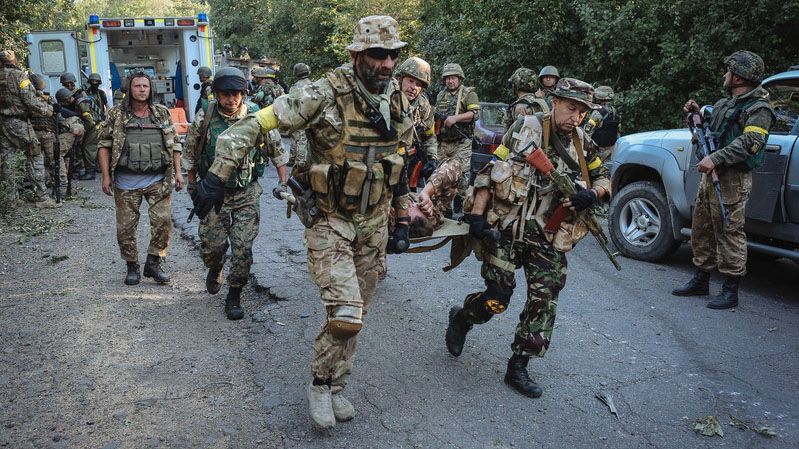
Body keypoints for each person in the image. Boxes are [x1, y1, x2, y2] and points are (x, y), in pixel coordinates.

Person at [190, 15, 412, 429]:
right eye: (377, 55)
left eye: (392, 55)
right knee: (346, 312)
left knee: (355, 316)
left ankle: (335, 385)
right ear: (356, 54)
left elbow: (395, 165)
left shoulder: (396, 100)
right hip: (330, 222)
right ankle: (318, 384)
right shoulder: (321, 94)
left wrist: (403, 216)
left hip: (374, 224)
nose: (386, 64)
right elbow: (254, 124)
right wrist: (216, 176)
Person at [445, 78, 611, 398]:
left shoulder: (583, 143)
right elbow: (493, 168)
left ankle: (518, 365)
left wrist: (591, 193)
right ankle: (464, 318)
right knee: (497, 299)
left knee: (545, 297)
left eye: (582, 112)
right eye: (571, 108)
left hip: (547, 236)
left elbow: (604, 176)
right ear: (555, 102)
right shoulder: (526, 127)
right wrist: (477, 216)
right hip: (508, 229)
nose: (575, 117)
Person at [672, 51, 774, 309]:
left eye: (728, 71)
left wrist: (716, 159)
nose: (724, 75)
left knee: (729, 231)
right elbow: (708, 132)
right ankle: (701, 278)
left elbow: (751, 142)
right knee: (701, 226)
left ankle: (730, 289)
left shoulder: (759, 108)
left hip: (733, 178)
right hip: (711, 176)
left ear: (738, 76)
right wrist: (694, 115)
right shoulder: (724, 104)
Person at [184, 67, 289, 320]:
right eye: (225, 95)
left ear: (243, 94)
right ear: (217, 94)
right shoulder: (205, 117)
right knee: (213, 247)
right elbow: (190, 153)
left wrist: (283, 182)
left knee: (242, 247)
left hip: (246, 191)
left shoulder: (257, 117)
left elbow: (276, 149)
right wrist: (191, 186)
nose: (231, 100)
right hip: (213, 194)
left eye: (236, 94)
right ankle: (215, 267)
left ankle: (234, 294)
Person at [98, 71, 184, 286]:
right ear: (129, 89)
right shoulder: (116, 114)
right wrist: (106, 177)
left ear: (151, 89)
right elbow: (104, 145)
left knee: (163, 223)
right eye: (137, 86)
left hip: (158, 179)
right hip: (126, 182)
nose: (142, 89)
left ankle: (154, 262)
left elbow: (174, 144)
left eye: (145, 86)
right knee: (126, 228)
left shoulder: (161, 113)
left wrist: (179, 173)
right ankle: (132, 265)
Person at [0, 50, 54, 206]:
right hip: (19, 122)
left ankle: (11, 199)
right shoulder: (20, 77)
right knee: (35, 155)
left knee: (8, 159)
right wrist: (48, 110)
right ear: (14, 61)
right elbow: (30, 101)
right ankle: (41, 198)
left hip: (3, 123)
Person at [435, 62, 479, 216]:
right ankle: (445, 208)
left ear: (460, 78)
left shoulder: (468, 93)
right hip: (444, 143)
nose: (450, 81)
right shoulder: (441, 95)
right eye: (447, 78)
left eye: (453, 78)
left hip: (461, 143)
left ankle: (460, 207)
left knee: (461, 176)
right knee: (442, 175)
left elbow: (474, 114)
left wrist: (455, 118)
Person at [395, 56, 438, 189]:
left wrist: (432, 157)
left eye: (418, 84)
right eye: (410, 81)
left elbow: (429, 135)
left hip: (409, 161)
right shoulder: (388, 98)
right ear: (400, 79)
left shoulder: (424, 106)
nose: (413, 87)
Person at [26, 74, 60, 206]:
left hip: (34, 134)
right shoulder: (37, 98)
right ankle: (51, 189)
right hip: (40, 134)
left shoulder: (33, 97)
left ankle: (51, 187)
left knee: (45, 161)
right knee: (46, 161)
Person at [61, 72, 97, 180]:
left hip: (92, 125)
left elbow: (88, 118)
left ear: (71, 84)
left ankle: (91, 172)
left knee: (87, 148)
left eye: (67, 85)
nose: (67, 87)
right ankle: (82, 169)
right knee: (81, 148)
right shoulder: (71, 97)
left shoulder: (80, 98)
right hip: (86, 124)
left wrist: (84, 131)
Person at [54, 88, 85, 192]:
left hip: (71, 131)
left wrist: (71, 130)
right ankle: (65, 179)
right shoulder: (64, 109)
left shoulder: (65, 112)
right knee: (66, 156)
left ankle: (63, 182)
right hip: (71, 133)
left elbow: (77, 129)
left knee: (58, 154)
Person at [582, 85, 621, 162]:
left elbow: (587, 133)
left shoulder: (598, 112)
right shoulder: (616, 111)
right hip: (611, 149)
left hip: (598, 150)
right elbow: (618, 131)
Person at [288, 63, 312, 165]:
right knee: (303, 139)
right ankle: (300, 160)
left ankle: (294, 159)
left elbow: (290, 102)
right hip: (310, 115)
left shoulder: (294, 87)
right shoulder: (313, 85)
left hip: (297, 115)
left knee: (296, 138)